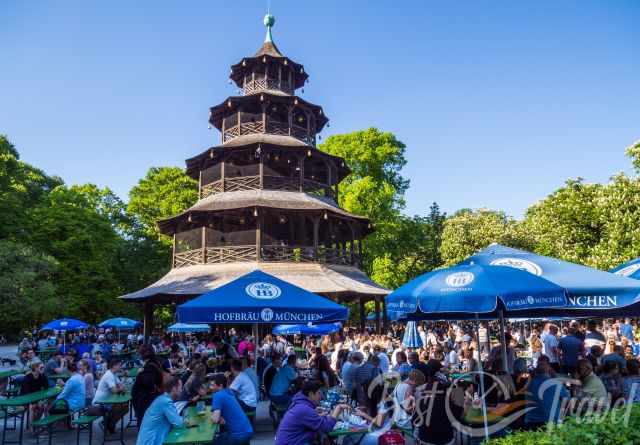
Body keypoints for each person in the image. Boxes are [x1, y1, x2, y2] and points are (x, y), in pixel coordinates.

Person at [275, 380, 350, 445]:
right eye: (318, 393)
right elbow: (327, 427)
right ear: (311, 394)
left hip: (288, 441)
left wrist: (315, 413)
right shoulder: (304, 409)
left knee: (321, 435)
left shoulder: (300, 403)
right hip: (291, 443)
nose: (320, 396)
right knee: (323, 434)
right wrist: (337, 409)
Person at [136, 376, 184, 445]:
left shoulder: (162, 399)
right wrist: (185, 419)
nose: (181, 390)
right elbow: (178, 423)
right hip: (150, 442)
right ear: (174, 388)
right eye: (180, 388)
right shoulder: (165, 402)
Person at [210, 373, 253, 445]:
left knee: (211, 442)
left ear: (220, 386)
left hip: (238, 436)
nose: (210, 387)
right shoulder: (229, 391)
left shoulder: (218, 395)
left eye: (212, 385)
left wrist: (213, 416)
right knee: (222, 435)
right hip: (248, 431)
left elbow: (215, 419)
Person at [524, 361, 569, 429]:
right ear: (549, 371)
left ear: (536, 371)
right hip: (552, 421)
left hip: (531, 422)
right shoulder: (556, 383)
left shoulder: (528, 384)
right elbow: (567, 399)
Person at [132, 345, 165, 423]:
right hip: (150, 397)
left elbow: (148, 382)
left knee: (144, 422)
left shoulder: (149, 366)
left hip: (146, 399)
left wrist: (140, 374)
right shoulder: (156, 362)